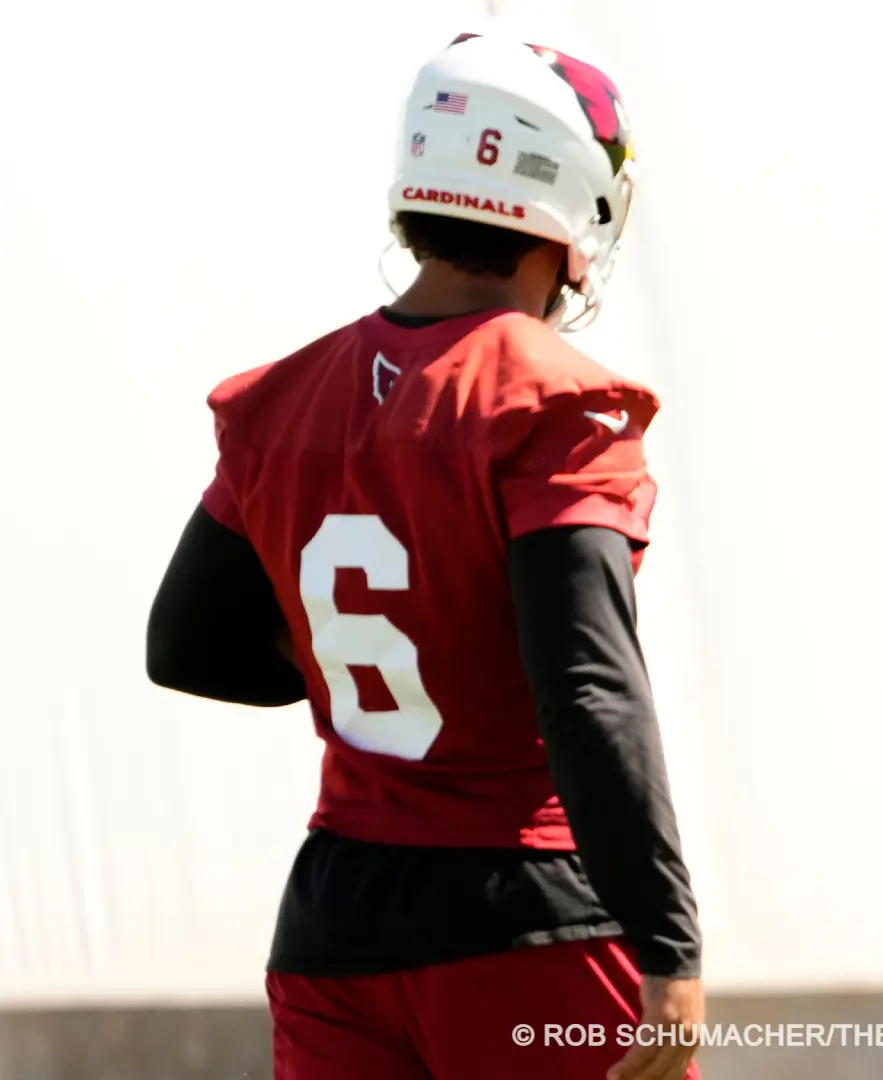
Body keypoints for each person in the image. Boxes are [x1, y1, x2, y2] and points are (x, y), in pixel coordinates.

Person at [145, 32, 702, 1080]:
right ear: (567, 197)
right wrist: (669, 942)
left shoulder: (285, 397)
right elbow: (588, 691)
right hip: (525, 917)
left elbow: (185, 646)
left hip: (334, 926)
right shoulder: (554, 400)